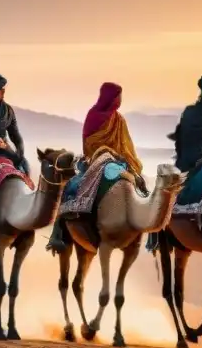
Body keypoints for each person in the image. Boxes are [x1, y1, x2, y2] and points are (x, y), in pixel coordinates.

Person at [46, 81, 144, 252]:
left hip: (119, 161)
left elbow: (126, 145)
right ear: (109, 97)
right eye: (117, 96)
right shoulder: (93, 115)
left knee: (141, 186)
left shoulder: (119, 119)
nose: (120, 100)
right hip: (95, 160)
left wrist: (121, 157)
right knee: (72, 186)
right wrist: (105, 153)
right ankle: (58, 233)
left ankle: (151, 234)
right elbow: (89, 141)